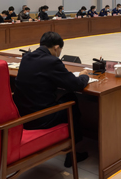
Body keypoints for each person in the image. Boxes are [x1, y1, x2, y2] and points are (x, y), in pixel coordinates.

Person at [12, 32, 89, 167]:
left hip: (22, 116)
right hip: (41, 119)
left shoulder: (27, 57)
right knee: (71, 99)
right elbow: (76, 85)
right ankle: (72, 153)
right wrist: (84, 76)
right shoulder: (52, 61)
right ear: (56, 47)